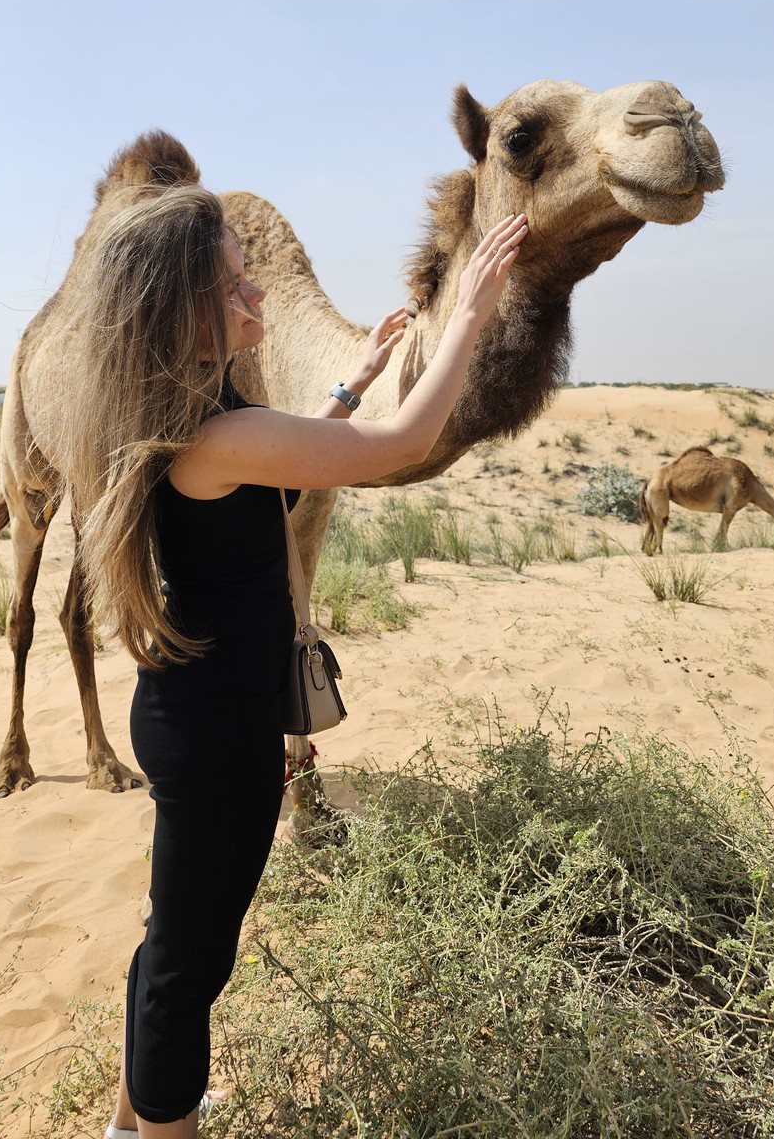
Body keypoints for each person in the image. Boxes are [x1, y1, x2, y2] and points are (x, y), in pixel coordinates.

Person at [63, 184, 527, 1139]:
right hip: (215, 730)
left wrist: (349, 385)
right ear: (181, 310)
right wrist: (469, 316)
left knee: (176, 944)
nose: (257, 299)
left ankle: (134, 1113)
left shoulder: (194, 424)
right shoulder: (218, 433)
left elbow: (256, 505)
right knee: (192, 964)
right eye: (235, 287)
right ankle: (159, 1125)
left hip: (199, 717)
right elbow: (401, 444)